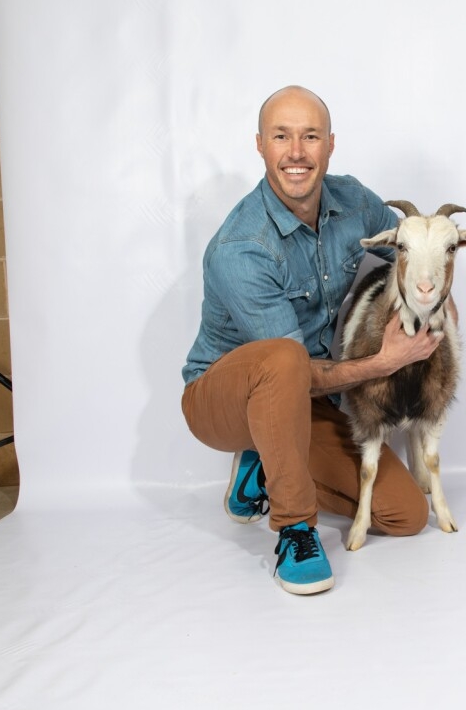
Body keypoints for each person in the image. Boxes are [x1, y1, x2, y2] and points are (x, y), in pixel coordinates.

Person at [181, 85, 443, 595]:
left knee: (406, 513)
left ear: (330, 145)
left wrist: (437, 300)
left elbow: (410, 254)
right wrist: (383, 362)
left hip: (307, 393)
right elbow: (297, 368)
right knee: (284, 358)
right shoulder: (240, 248)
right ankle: (294, 528)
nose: (297, 152)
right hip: (219, 398)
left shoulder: (353, 202)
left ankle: (267, 455)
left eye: (310, 136)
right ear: (260, 145)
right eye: (282, 136)